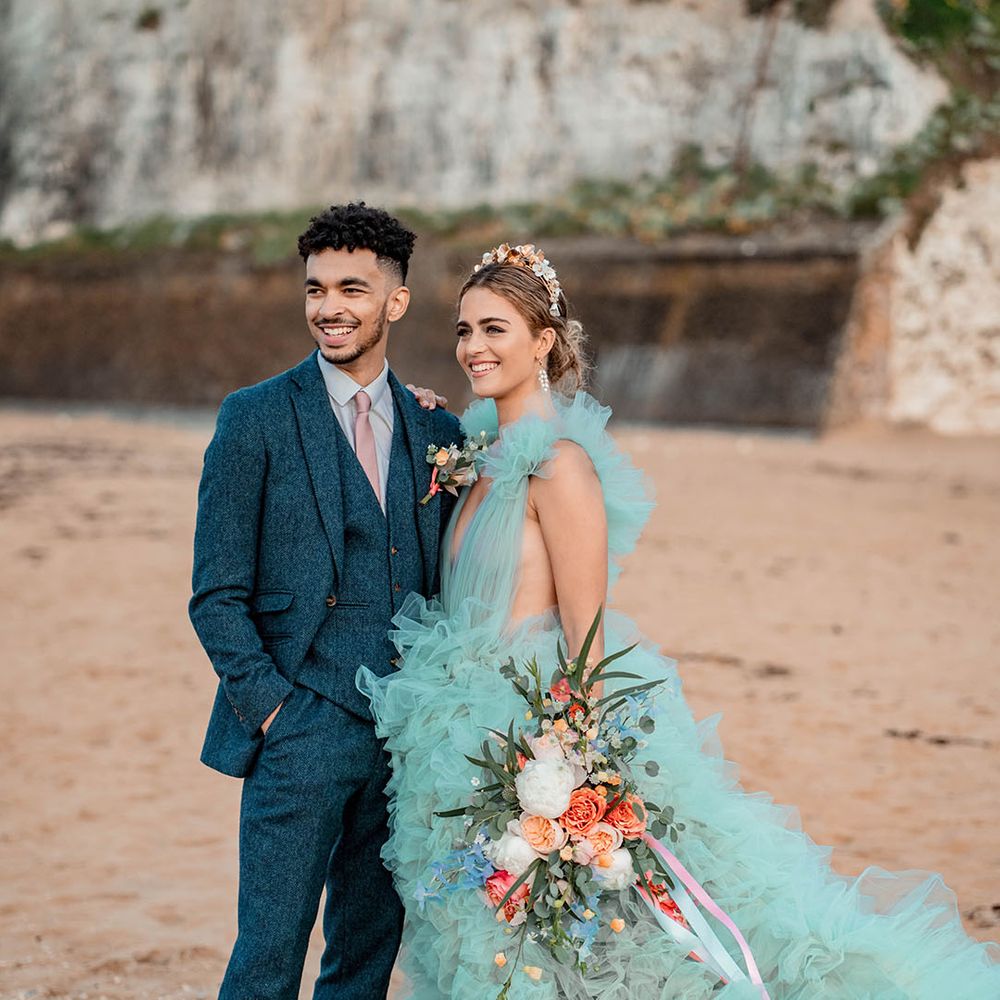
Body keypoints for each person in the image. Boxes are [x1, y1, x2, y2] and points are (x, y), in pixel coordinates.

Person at [357, 243, 1000, 998]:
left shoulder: (559, 466)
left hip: (532, 727)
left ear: (542, 342)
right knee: (484, 933)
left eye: (496, 329)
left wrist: (568, 763)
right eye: (465, 330)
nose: (474, 347)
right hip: (454, 727)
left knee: (592, 932)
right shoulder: (475, 457)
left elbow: (585, 633)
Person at [188, 202, 461, 999]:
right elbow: (215, 594)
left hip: (405, 735)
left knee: (366, 958)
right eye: (315, 289)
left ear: (396, 301)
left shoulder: (435, 429)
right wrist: (274, 710)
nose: (329, 307)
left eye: (351, 288)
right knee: (267, 956)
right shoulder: (254, 418)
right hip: (298, 726)